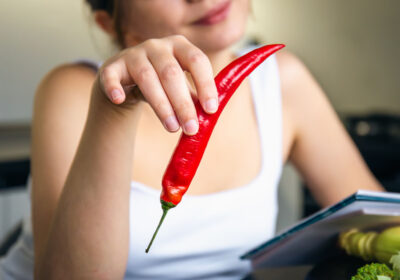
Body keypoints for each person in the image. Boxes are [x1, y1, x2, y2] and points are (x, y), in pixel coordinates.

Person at [0, 0, 383, 279]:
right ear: (111, 23)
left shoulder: (282, 79)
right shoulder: (74, 90)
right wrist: (113, 111)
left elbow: (380, 222)